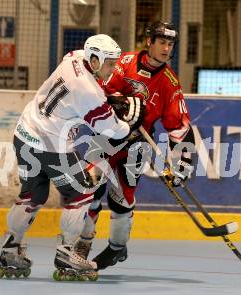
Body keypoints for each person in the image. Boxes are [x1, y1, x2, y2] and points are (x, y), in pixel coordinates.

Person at [0, 34, 145, 280]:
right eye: (109, 64)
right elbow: (113, 130)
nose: (113, 69)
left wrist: (109, 99)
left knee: (32, 194)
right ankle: (66, 254)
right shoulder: (89, 93)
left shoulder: (73, 57)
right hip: (52, 146)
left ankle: (10, 250)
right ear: (94, 60)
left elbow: (88, 94)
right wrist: (132, 121)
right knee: (82, 192)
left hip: (24, 133)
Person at [82, 21, 196, 270]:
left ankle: (116, 248)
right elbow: (99, 86)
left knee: (122, 199)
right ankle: (82, 243)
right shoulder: (123, 62)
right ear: (149, 42)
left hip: (137, 143)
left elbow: (179, 126)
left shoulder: (169, 82)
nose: (167, 48)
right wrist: (119, 101)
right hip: (106, 135)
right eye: (162, 42)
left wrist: (183, 161)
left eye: (171, 44)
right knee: (88, 188)